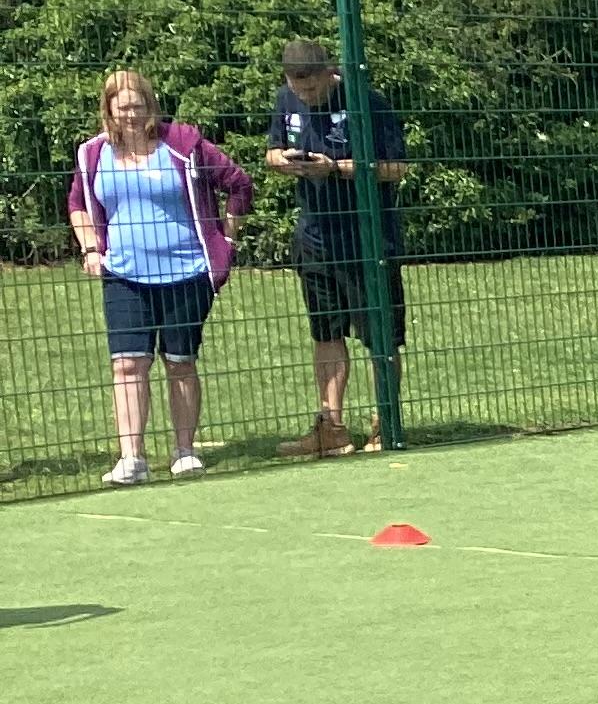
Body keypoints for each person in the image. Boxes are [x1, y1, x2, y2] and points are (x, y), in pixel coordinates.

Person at [67, 70, 251, 487]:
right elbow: (77, 203)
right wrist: (91, 248)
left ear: (150, 105)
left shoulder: (184, 144)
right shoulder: (92, 154)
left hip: (187, 273)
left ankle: (184, 451)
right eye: (122, 107)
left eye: (138, 106)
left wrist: (226, 238)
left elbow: (239, 183)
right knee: (127, 364)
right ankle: (131, 458)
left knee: (180, 363)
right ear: (108, 109)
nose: (131, 115)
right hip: (123, 276)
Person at [262, 38, 408, 458]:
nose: (305, 95)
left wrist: (336, 169)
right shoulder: (285, 99)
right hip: (314, 238)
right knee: (325, 333)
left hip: (367, 239)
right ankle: (333, 428)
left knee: (380, 335)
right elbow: (271, 152)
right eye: (298, 87)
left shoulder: (368, 103)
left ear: (329, 72)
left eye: (312, 87)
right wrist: (283, 162)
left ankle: (386, 423)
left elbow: (396, 168)